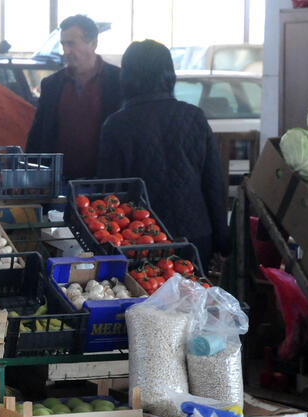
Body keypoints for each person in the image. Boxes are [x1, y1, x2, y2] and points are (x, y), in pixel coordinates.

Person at [97, 39, 229, 262]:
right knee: (194, 286)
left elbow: (111, 193)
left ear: (126, 76)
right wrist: (222, 239)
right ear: (169, 73)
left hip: (142, 239)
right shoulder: (194, 117)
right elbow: (213, 183)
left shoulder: (117, 125)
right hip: (196, 236)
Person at [26, 14, 121, 180]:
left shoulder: (118, 82)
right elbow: (38, 134)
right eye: (63, 44)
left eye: (71, 44)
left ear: (93, 43)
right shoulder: (52, 85)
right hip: (58, 182)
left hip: (105, 182)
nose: (66, 51)